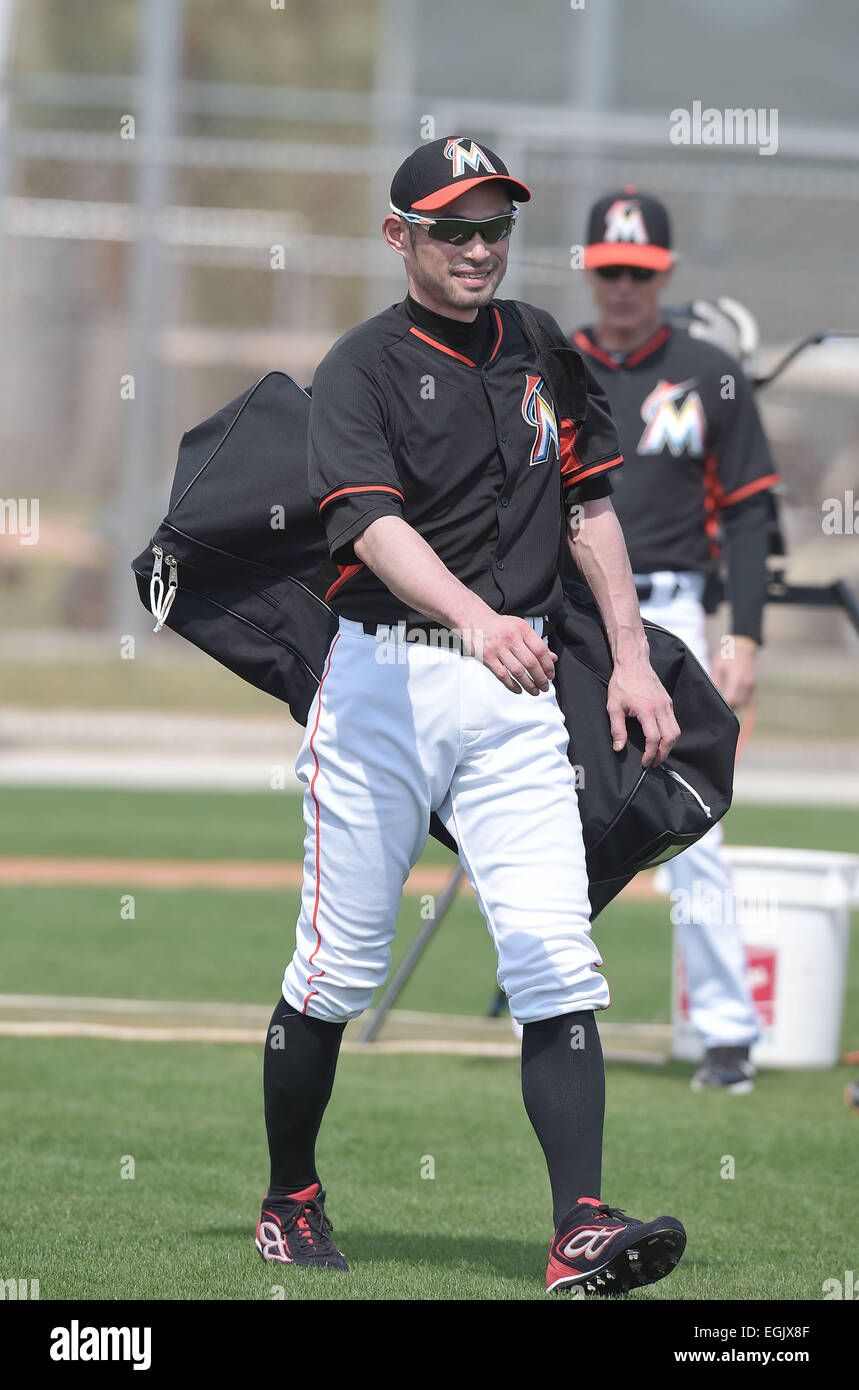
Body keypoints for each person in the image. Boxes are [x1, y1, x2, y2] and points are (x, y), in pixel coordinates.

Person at [256, 138, 687, 1296]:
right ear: (400, 237)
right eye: (452, 228)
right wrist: (473, 615)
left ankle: (578, 1229)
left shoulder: (542, 343)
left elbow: (588, 500)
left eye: (493, 225)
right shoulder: (362, 366)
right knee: (340, 967)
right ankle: (289, 1195)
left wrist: (632, 658)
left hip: (517, 691)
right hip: (385, 683)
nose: (478, 247)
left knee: (555, 953)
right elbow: (370, 527)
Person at [569, 188, 781, 1093]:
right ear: (590, 269)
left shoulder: (708, 369)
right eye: (610, 270)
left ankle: (728, 1032)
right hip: (569, 612)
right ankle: (555, 1003)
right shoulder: (544, 359)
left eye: (640, 273)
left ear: (663, 275)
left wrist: (746, 638)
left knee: (692, 821)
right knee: (542, 805)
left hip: (675, 615)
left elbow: (744, 517)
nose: (623, 287)